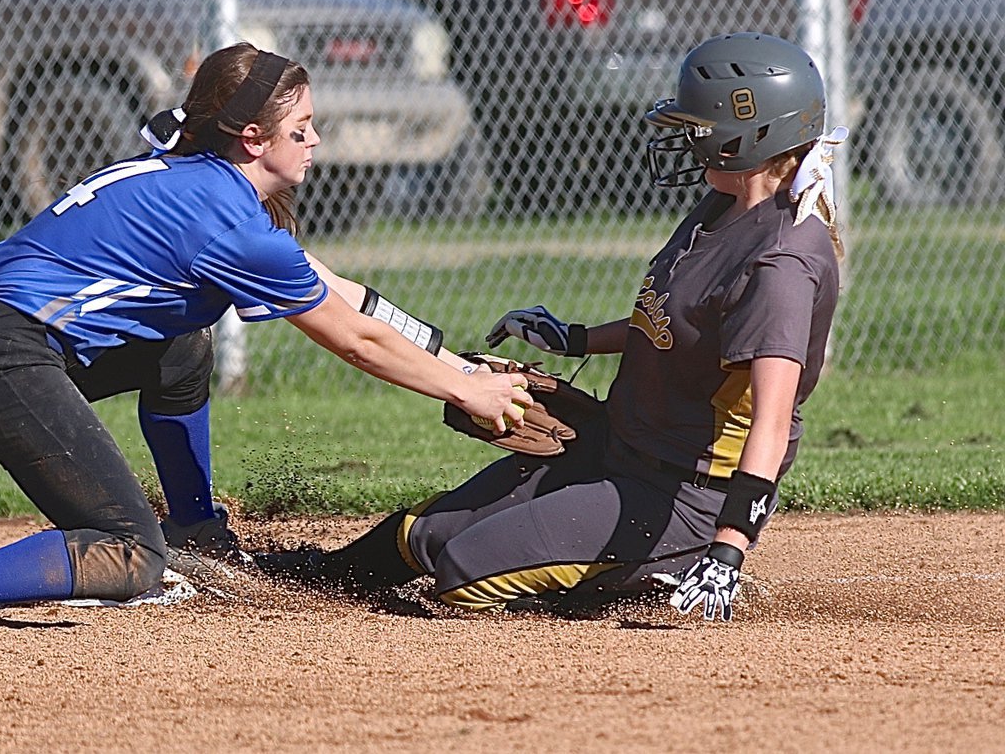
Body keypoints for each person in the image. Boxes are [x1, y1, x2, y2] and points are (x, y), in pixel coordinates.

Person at [0, 42, 531, 634]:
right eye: (302, 129)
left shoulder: (203, 180)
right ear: (252, 139)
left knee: (182, 343)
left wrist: (454, 360)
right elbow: (354, 339)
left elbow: (336, 287)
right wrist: (465, 390)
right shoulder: (226, 222)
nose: (316, 140)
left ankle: (197, 533)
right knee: (132, 554)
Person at [258, 32, 846, 621]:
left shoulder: (780, 265)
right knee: (429, 535)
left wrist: (728, 549)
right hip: (618, 447)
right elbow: (675, 326)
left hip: (682, 496)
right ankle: (314, 581)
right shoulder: (722, 206)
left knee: (463, 572)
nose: (685, 141)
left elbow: (770, 421)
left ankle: (654, 570)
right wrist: (578, 339)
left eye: (696, 129)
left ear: (747, 134)